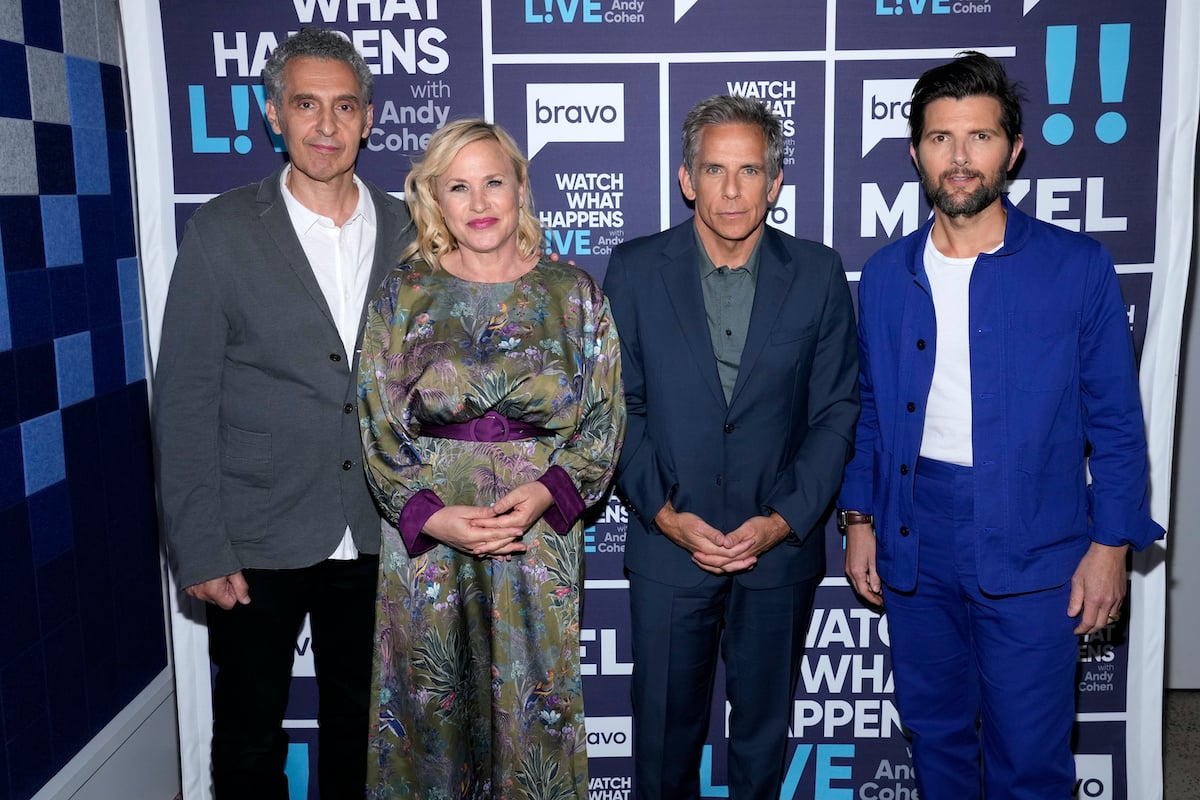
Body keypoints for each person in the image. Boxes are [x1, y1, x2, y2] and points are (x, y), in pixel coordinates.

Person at [838, 51, 1164, 799]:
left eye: (979, 137)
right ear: (917, 150)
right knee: (937, 738)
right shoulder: (887, 275)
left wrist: (1111, 544)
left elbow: (1116, 421)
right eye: (941, 138)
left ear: (1013, 150)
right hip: (915, 537)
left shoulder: (1076, 266)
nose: (959, 158)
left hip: (1037, 540)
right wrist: (860, 518)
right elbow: (871, 413)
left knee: (1030, 758)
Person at [153, 28, 411, 799]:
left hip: (380, 529)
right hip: (255, 535)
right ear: (273, 115)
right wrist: (198, 546)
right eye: (306, 105)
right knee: (248, 740)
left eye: (343, 106)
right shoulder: (222, 229)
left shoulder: (410, 231)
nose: (326, 126)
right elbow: (185, 399)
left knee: (362, 742)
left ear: (369, 118)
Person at [357, 118, 625, 799]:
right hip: (428, 544)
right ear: (435, 201)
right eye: (459, 187)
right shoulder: (403, 293)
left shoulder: (575, 295)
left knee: (532, 715)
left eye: (493, 183)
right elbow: (377, 421)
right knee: (426, 710)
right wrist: (433, 516)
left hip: (536, 536)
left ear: (521, 190)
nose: (479, 204)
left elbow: (603, 418)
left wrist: (543, 495)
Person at [603, 94, 860, 798]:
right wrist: (663, 514)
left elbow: (836, 410)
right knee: (660, 743)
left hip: (777, 551)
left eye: (750, 171)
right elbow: (619, 406)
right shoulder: (632, 268)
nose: (732, 190)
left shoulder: (817, 272)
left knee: (761, 741)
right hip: (668, 547)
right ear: (687, 178)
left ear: (775, 182)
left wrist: (781, 520)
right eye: (715, 170)